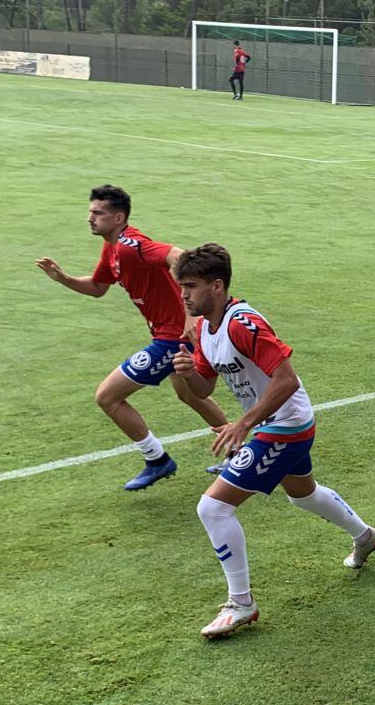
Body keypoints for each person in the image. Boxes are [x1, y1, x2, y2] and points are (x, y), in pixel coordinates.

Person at [171, 243, 375, 639]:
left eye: (191, 286)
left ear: (217, 286)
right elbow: (203, 388)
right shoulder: (204, 327)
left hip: (286, 424)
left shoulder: (244, 324)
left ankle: (241, 603)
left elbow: (286, 379)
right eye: (181, 286)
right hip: (277, 424)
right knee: (303, 495)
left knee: (212, 507)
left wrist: (244, 424)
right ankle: (366, 536)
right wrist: (186, 372)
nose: (183, 294)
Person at [35, 185, 230, 490]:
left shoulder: (131, 244)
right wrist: (63, 278)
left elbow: (178, 256)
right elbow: (98, 287)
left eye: (97, 213)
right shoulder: (112, 248)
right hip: (173, 335)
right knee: (190, 394)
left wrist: (191, 314)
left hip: (172, 338)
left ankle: (156, 459)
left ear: (118, 218)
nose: (90, 218)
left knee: (108, 397)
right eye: (90, 212)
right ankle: (236, 453)